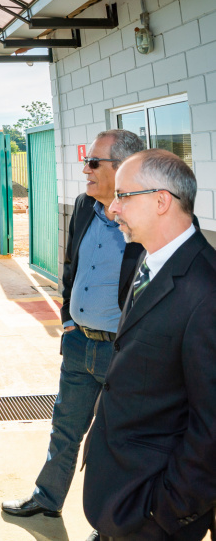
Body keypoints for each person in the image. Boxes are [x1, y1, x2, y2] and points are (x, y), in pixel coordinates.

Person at [2, 130, 145, 524]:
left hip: (122, 353)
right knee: (64, 428)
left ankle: (111, 522)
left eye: (94, 163)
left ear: (123, 169)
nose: (85, 168)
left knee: (116, 443)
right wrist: (66, 317)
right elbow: (70, 265)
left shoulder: (147, 213)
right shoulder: (84, 204)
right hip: (80, 343)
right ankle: (47, 498)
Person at [82, 150, 216, 541]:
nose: (112, 210)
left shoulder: (206, 291)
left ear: (162, 201)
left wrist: (165, 510)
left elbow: (210, 427)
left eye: (124, 196)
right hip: (121, 496)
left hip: (154, 512)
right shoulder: (147, 258)